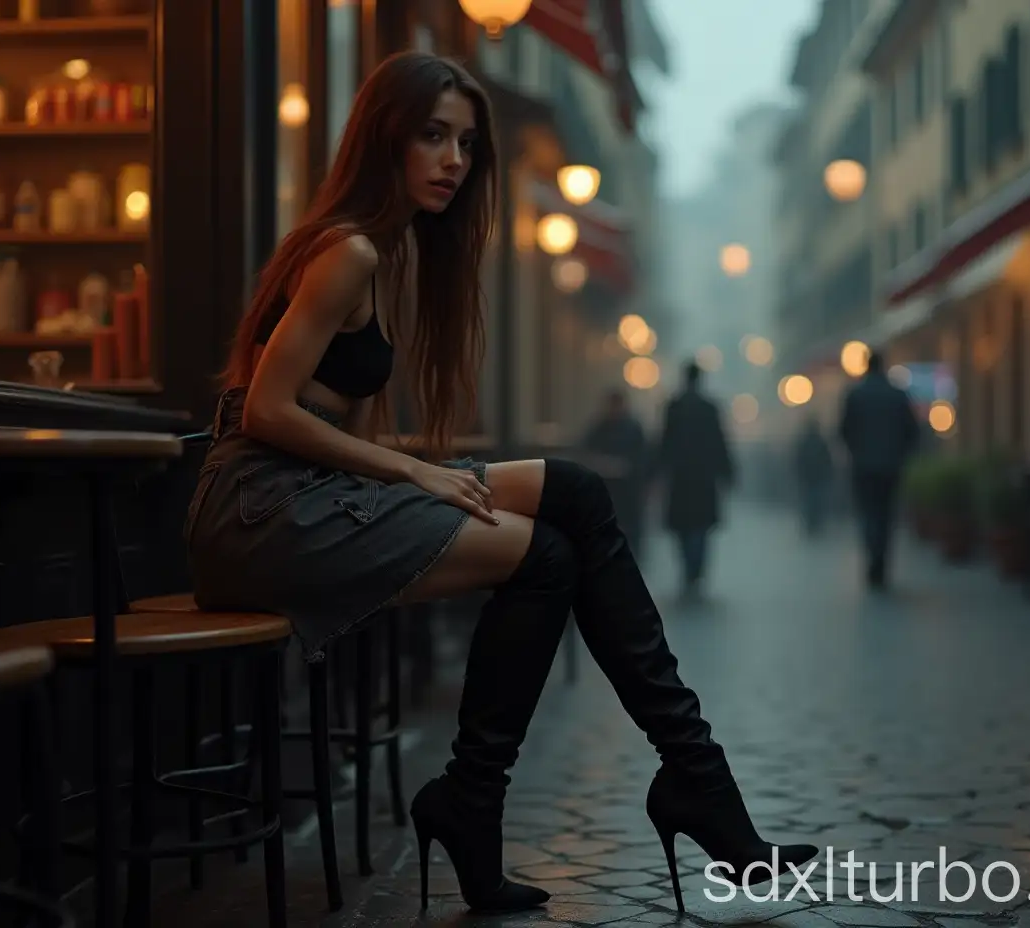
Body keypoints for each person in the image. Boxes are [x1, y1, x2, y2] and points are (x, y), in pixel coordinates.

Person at [183, 52, 816, 915]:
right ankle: (688, 788)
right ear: (386, 139)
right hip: (258, 511)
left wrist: (415, 472)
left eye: (468, 143)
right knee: (564, 525)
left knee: (565, 529)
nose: (453, 160)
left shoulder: (384, 252)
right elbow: (265, 410)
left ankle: (492, 801)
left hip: (305, 497)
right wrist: (416, 471)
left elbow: (331, 427)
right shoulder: (350, 251)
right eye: (433, 136)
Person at [838, 350, 920, 588]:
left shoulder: (855, 395)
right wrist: (901, 454)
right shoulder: (897, 395)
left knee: (868, 514)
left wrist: (856, 451)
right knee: (886, 515)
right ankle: (881, 561)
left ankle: (873, 555)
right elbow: (912, 431)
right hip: (891, 466)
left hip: (863, 467)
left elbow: (843, 430)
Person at [655, 361, 736, 598]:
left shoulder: (674, 407)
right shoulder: (709, 407)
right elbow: (720, 441)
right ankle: (696, 570)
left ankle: (688, 570)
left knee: (682, 527)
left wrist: (658, 471)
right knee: (700, 527)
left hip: (680, 478)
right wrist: (727, 472)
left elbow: (664, 442)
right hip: (704, 477)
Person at [578, 390, 651, 559]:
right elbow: (585, 453)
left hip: (629, 489)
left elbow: (643, 458)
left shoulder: (633, 429)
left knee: (632, 527)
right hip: (605, 488)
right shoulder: (598, 428)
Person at [792, 414, 833, 535]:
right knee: (817, 500)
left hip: (808, 477)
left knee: (809, 500)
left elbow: (798, 459)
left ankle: (811, 522)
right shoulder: (821, 442)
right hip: (817, 477)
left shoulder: (804, 442)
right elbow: (827, 460)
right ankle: (815, 522)